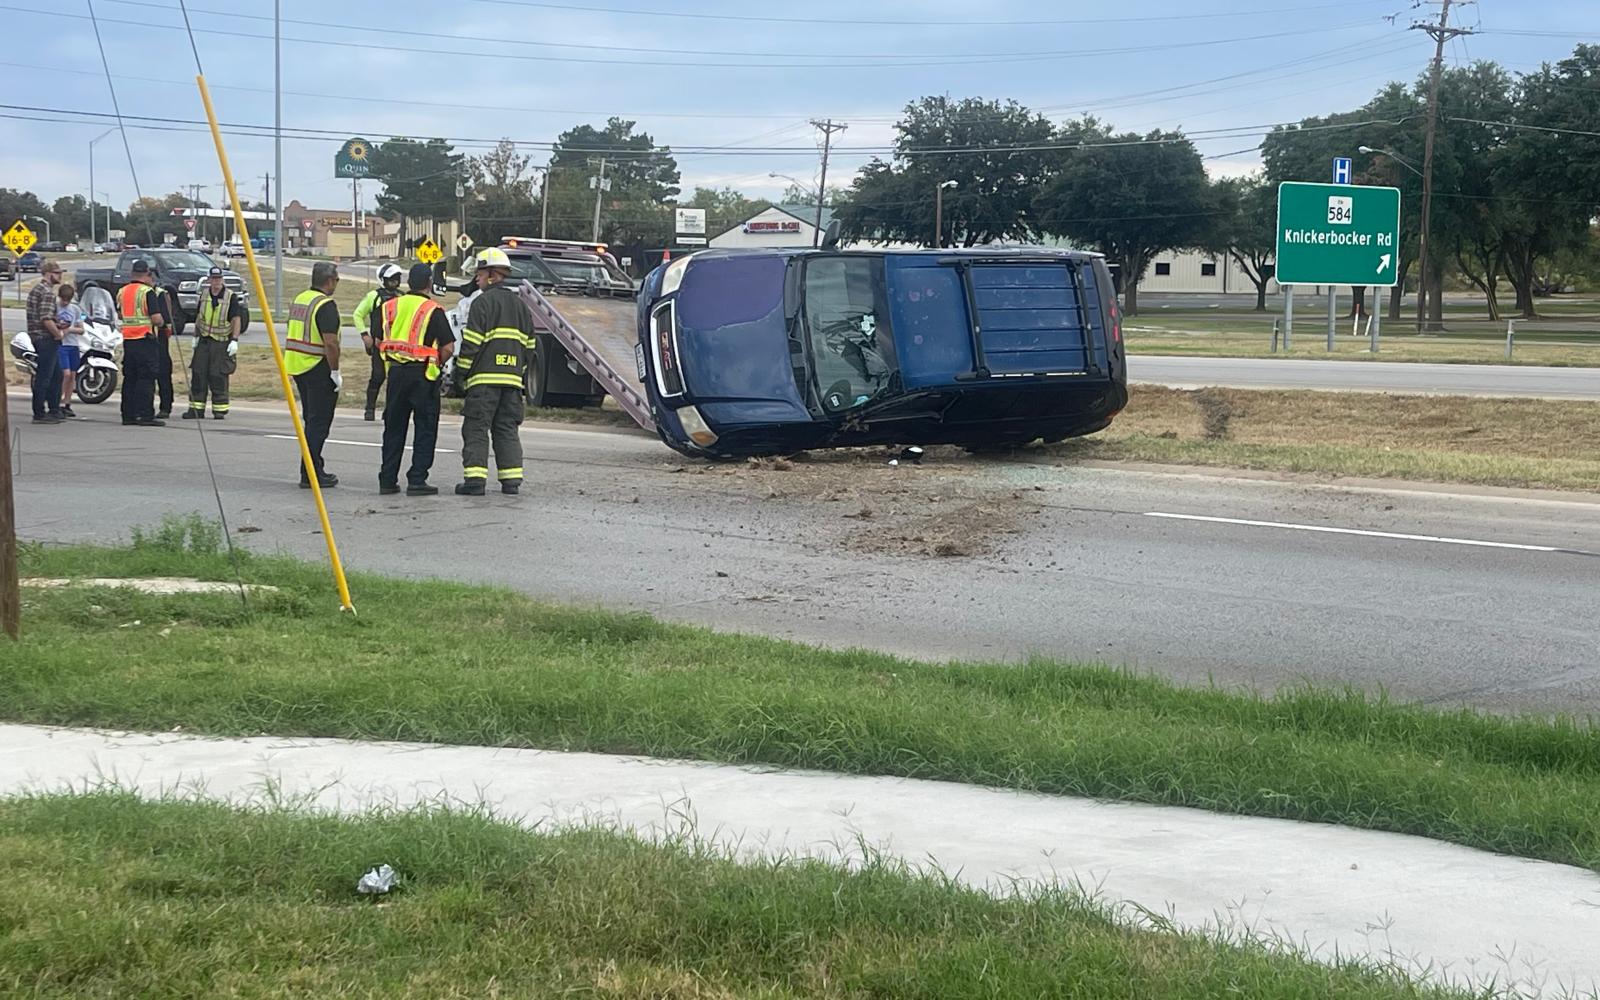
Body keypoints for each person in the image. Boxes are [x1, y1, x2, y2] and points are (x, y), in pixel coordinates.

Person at [455, 247, 533, 496]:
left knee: (476, 428)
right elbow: (529, 348)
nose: (476, 279)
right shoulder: (521, 306)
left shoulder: (482, 303)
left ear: (492, 275)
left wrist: (460, 374)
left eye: (479, 274)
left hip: (484, 382)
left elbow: (471, 344)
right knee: (507, 429)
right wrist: (516, 372)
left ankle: (475, 481)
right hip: (512, 383)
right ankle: (511, 481)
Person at [375, 263, 455, 496]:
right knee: (425, 428)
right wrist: (436, 363)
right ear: (429, 283)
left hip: (396, 374)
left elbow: (378, 340)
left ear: (408, 283)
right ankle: (417, 480)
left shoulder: (389, 307)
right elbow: (448, 347)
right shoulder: (433, 310)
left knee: (393, 428)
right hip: (423, 377)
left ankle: (387, 480)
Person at [284, 261, 343, 488]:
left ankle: (314, 467)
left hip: (298, 365)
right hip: (318, 366)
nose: (337, 283)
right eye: (336, 280)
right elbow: (331, 343)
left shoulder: (301, 299)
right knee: (319, 423)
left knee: (311, 420)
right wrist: (335, 371)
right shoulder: (325, 305)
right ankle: (309, 473)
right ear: (329, 280)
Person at [184, 266, 248, 420]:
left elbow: (236, 319)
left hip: (221, 342)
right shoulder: (204, 295)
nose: (216, 281)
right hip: (204, 341)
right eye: (214, 279)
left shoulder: (230, 297)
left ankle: (219, 409)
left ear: (222, 279)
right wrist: (195, 336)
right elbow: (199, 317)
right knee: (198, 374)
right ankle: (196, 409)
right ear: (209, 280)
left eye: (219, 278)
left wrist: (234, 340)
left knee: (218, 376)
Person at [117, 259, 167, 427]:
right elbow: (156, 318)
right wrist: (162, 323)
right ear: (147, 274)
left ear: (132, 273)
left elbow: (120, 315)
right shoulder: (147, 292)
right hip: (145, 339)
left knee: (130, 378)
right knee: (146, 378)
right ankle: (145, 415)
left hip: (128, 340)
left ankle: (128, 415)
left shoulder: (122, 291)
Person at [354, 262, 404, 421]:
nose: (394, 282)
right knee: (377, 376)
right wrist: (365, 335)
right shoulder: (374, 296)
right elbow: (357, 315)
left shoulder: (402, 297)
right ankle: (369, 409)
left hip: (396, 347)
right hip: (378, 345)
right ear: (383, 280)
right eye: (391, 279)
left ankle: (389, 411)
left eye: (397, 279)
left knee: (395, 380)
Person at [25, 258, 65, 424]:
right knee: (45, 376)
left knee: (56, 375)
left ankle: (54, 410)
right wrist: (58, 334)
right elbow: (45, 318)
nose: (60, 276)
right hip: (45, 338)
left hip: (37, 336)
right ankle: (40, 413)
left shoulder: (37, 289)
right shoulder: (47, 292)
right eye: (57, 273)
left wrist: (58, 323)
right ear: (48, 274)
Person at [55, 283, 86, 418]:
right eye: (63, 299)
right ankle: (58, 401)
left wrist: (70, 330)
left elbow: (81, 329)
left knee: (72, 375)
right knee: (65, 374)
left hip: (73, 345)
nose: (65, 302)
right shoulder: (55, 308)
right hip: (62, 345)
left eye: (68, 300)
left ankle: (67, 403)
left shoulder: (75, 309)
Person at [151, 282, 177, 419]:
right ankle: (144, 407)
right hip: (142, 339)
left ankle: (165, 407)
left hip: (158, 339)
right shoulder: (137, 292)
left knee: (163, 373)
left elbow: (166, 319)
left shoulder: (159, 294)